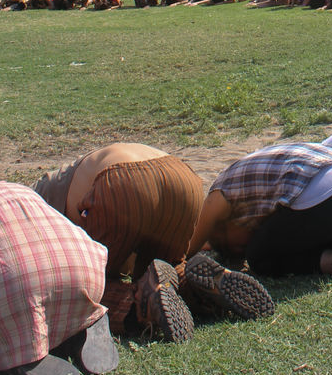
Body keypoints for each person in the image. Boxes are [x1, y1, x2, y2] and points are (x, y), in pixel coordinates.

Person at [34, 143, 270, 342]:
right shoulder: (68, 175)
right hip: (181, 178)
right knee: (164, 267)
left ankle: (138, 310)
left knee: (87, 286)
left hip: (123, 184)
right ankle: (193, 287)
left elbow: (71, 266)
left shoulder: (40, 206)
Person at [185, 143, 332, 278]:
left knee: (260, 256)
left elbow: (189, 247)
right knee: (297, 235)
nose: (242, 248)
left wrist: (178, 264)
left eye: (236, 246)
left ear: (221, 228)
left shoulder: (218, 194)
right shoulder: (253, 181)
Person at [0, 178, 116, 375]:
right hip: (84, 267)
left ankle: (24, 352)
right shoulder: (18, 189)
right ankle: (86, 316)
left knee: (11, 289)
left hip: (15, 294)